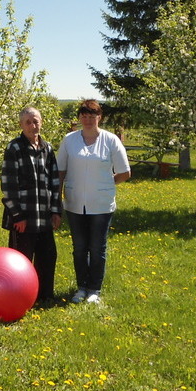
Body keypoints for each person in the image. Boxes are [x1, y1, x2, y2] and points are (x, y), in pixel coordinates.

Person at [57, 99, 131, 304]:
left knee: (97, 248)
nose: (88, 120)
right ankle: (81, 287)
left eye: (92, 116)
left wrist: (107, 183)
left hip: (101, 205)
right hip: (74, 204)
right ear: (79, 118)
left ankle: (94, 290)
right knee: (80, 248)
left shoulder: (110, 140)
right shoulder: (69, 140)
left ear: (100, 117)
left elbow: (125, 172)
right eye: (84, 116)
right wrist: (57, 196)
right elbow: (60, 171)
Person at [0, 107, 63, 303]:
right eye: (28, 122)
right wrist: (17, 215)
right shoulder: (14, 148)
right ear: (21, 125)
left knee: (48, 257)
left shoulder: (47, 148)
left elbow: (54, 182)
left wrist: (56, 210)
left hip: (44, 216)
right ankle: (20, 298)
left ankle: (45, 296)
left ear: (41, 122)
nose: (32, 125)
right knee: (20, 261)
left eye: (35, 121)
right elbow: (8, 185)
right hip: (23, 218)